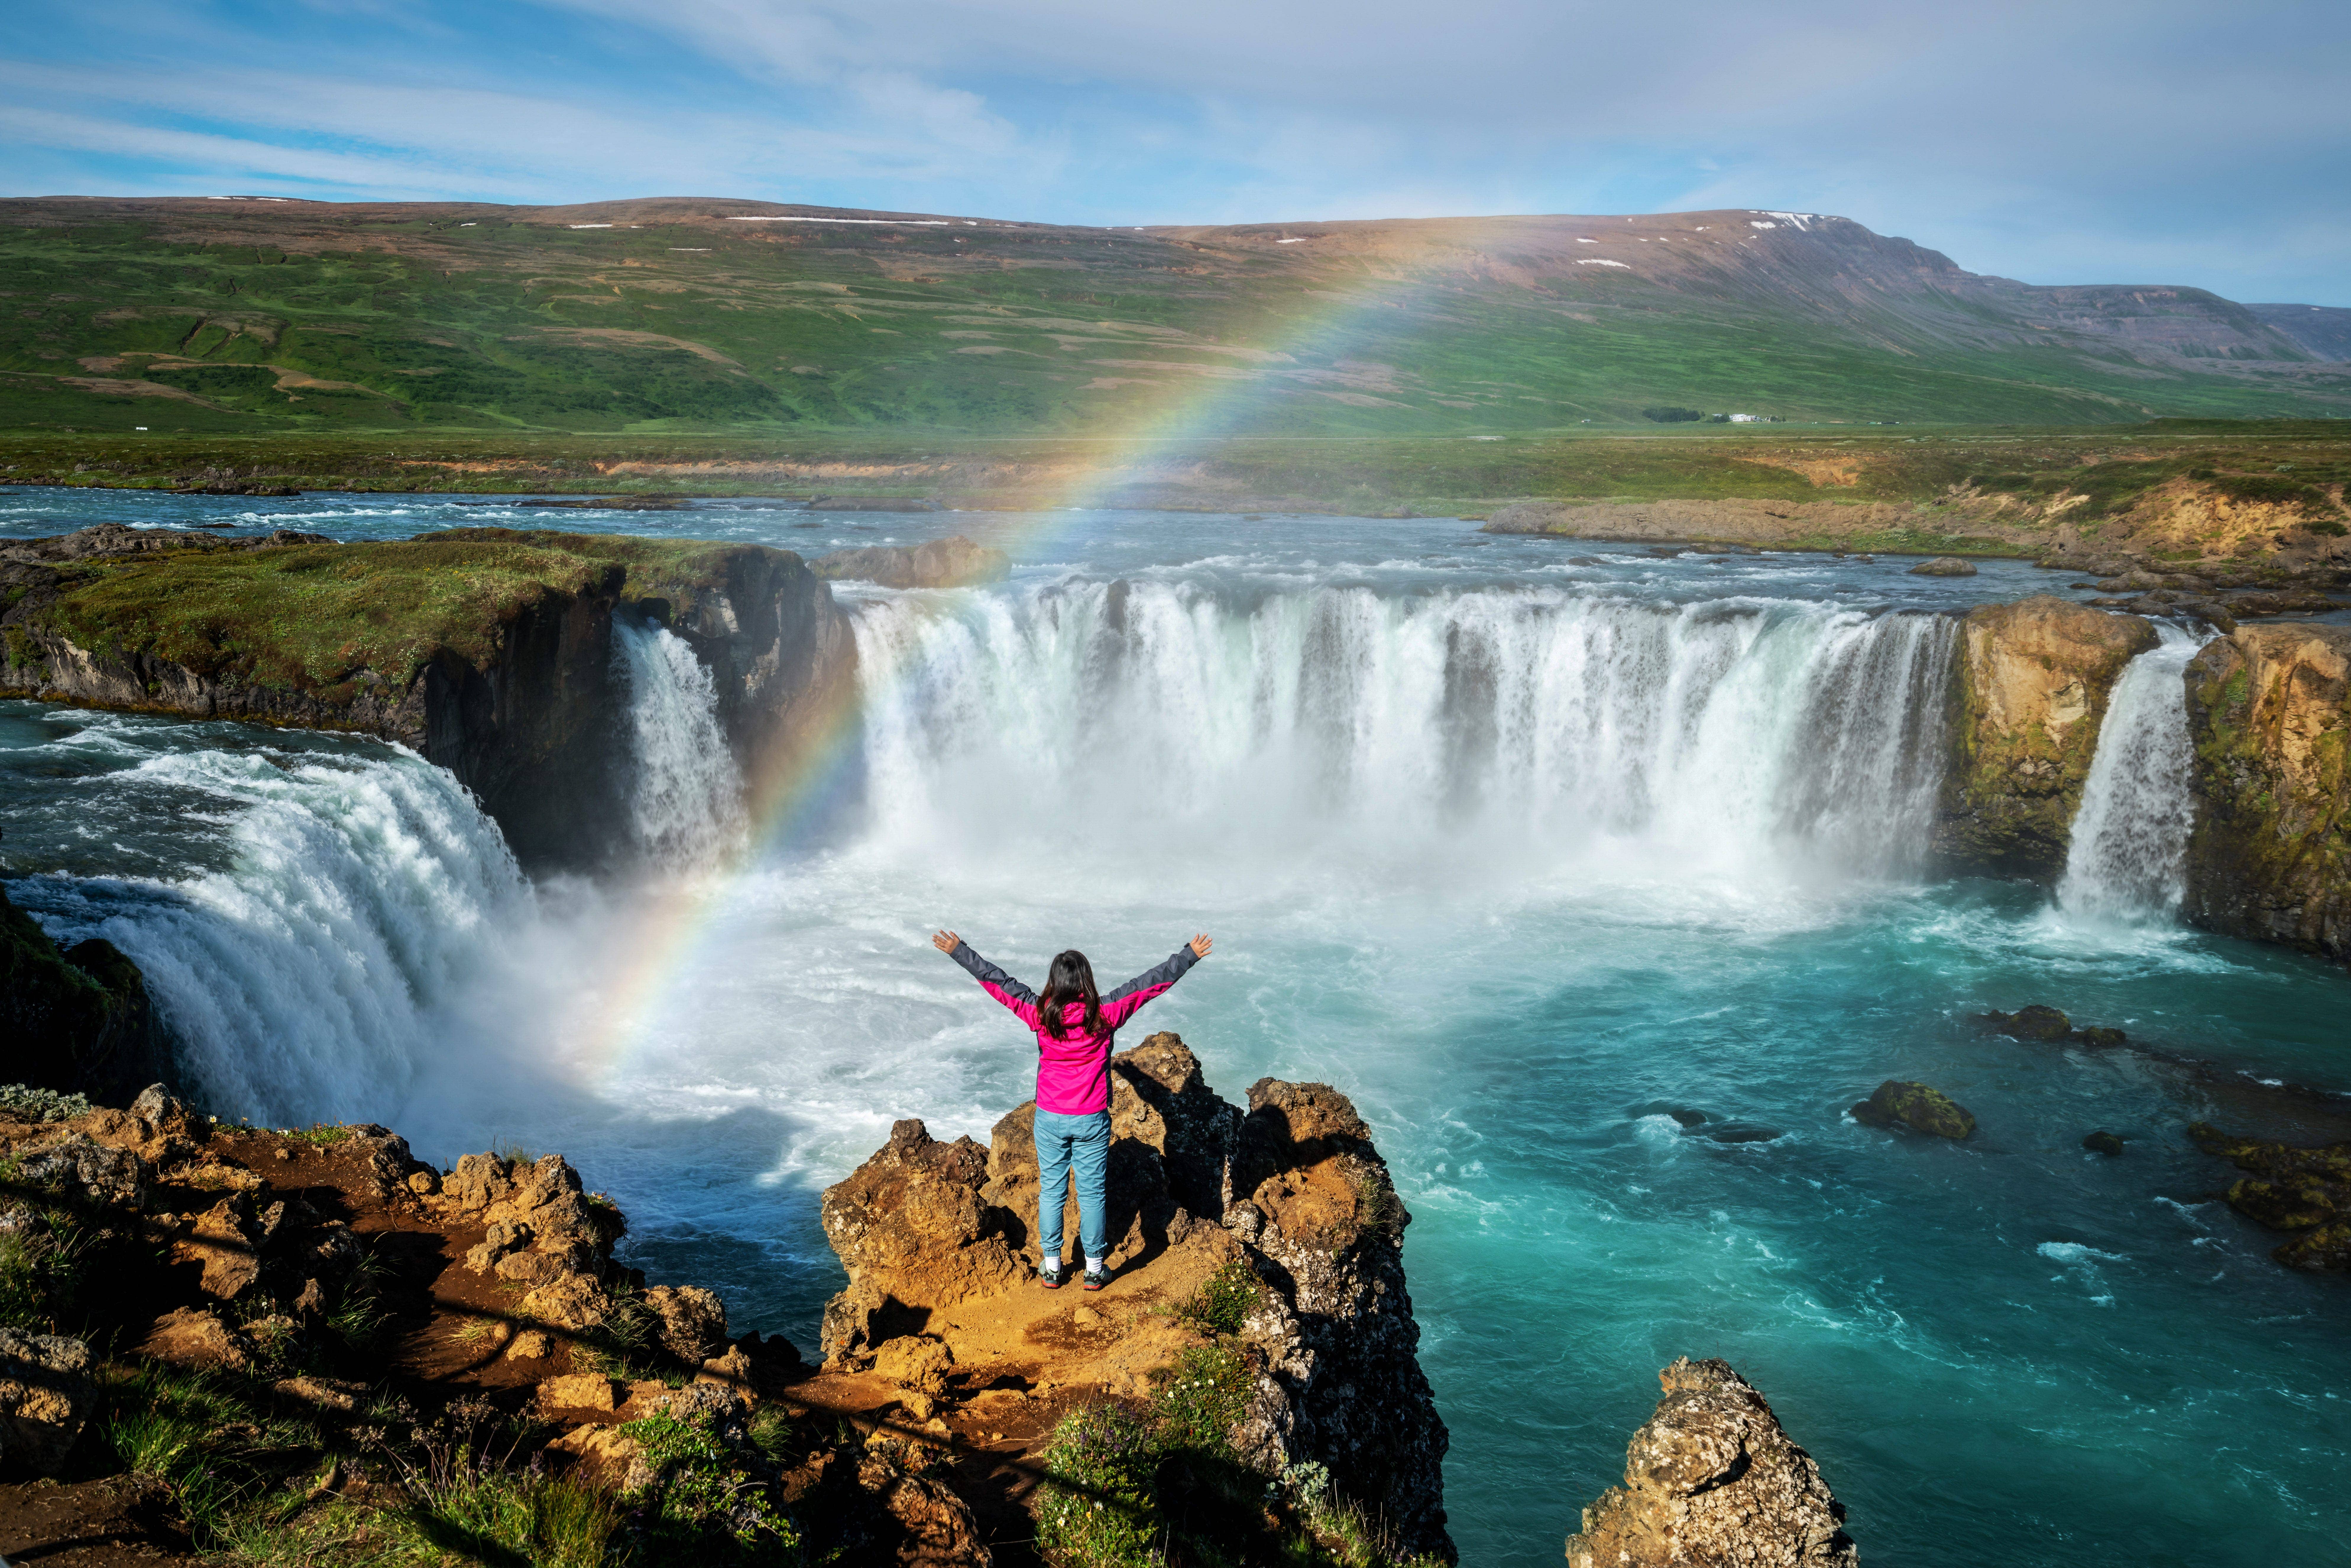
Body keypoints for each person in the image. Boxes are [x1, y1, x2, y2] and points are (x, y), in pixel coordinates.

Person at [932, 929, 1211, 1291]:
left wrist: (959, 952)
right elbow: (1149, 984)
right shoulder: (1106, 1013)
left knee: (1052, 1191)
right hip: (1091, 1118)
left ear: (1055, 982)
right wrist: (1188, 955)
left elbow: (998, 982)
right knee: (1093, 1193)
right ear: (1086, 981)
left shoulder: (1040, 1014)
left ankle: (1052, 1267)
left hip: (1050, 1116)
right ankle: (1094, 1269)